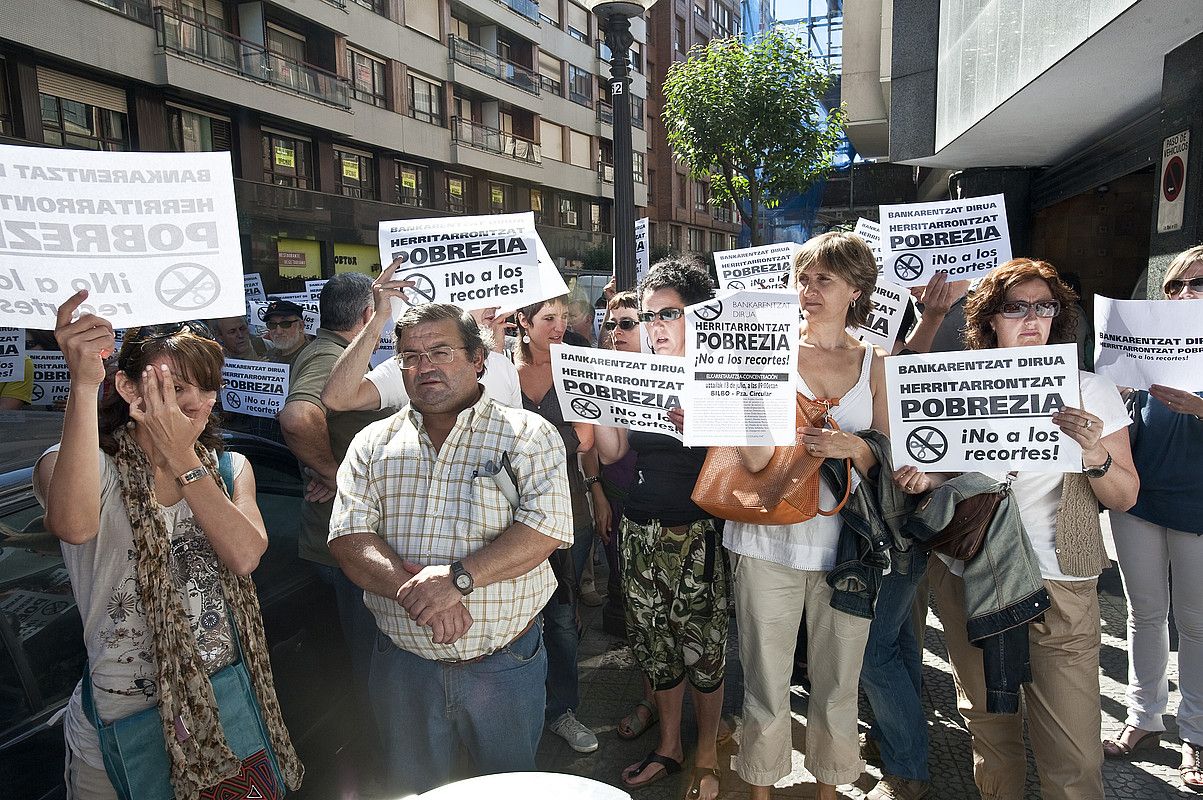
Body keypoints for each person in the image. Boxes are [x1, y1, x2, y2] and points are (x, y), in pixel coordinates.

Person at [35, 291, 302, 799]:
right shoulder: (83, 465)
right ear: (126, 388)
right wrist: (82, 383)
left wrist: (183, 458)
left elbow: (245, 555)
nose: (193, 402)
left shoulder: (227, 469)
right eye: (172, 387)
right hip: (118, 726)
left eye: (205, 388)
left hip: (220, 708)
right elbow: (72, 525)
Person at [327, 303, 572, 796]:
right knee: (417, 791)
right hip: (403, 667)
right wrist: (415, 592)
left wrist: (456, 579)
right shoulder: (373, 443)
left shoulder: (527, 435)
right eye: (411, 356)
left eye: (440, 351)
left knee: (510, 791)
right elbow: (349, 538)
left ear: (478, 358)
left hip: (504, 668)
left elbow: (546, 530)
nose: (425, 367)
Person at [924, 258, 1139, 800]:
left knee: (1072, 746)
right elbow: (937, 472)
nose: (1032, 318)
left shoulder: (1091, 391)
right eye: (1016, 307)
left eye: (1044, 307)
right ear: (989, 319)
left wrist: (1093, 452)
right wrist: (920, 476)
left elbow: (1126, 494)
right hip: (970, 571)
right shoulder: (952, 384)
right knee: (989, 725)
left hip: (1060, 578)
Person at [725, 232, 889, 800]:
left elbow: (891, 456)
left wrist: (856, 449)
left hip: (848, 550)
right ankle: (762, 790)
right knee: (765, 680)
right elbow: (751, 460)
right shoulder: (761, 350)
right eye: (802, 278)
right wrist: (734, 412)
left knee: (840, 682)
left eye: (824, 279)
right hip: (766, 540)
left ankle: (831, 790)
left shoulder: (877, 364)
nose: (809, 289)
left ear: (856, 288)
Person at [594, 258, 727, 800]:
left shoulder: (726, 371)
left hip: (700, 534)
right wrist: (601, 400)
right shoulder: (638, 374)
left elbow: (756, 458)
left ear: (700, 315)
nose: (654, 327)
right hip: (640, 531)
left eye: (666, 314)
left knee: (706, 649)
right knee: (656, 646)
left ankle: (709, 751)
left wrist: (703, 421)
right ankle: (670, 745)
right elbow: (614, 452)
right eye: (648, 317)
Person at [1103, 245, 1203, 791]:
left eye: (1199, 283)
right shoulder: (1146, 345)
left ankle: (1197, 734)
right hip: (1139, 500)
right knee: (1145, 614)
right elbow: (1121, 426)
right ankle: (1142, 719)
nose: (1186, 294)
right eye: (1177, 286)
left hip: (1197, 506)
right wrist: (1114, 395)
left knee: (1196, 624)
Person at [278, 273, 391, 692]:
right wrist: (337, 474)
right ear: (367, 314)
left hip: (344, 534)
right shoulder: (330, 358)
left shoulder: (332, 350)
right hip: (346, 540)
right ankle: (375, 741)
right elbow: (298, 417)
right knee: (373, 660)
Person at [513, 295, 605, 754]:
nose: (558, 326)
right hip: (507, 517)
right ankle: (518, 708)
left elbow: (585, 439)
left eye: (564, 318)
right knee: (514, 618)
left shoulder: (576, 366)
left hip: (567, 512)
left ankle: (563, 711)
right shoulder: (497, 368)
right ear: (523, 322)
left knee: (563, 620)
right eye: (548, 318)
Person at [321, 259, 521, 413]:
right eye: (484, 294)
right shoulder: (410, 368)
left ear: (477, 359)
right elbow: (337, 399)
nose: (495, 304)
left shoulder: (504, 367)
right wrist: (378, 318)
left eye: (442, 353)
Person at [261, 298, 310, 366]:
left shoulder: (312, 357)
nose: (279, 331)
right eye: (272, 324)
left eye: (285, 324)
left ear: (301, 326)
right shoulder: (267, 357)